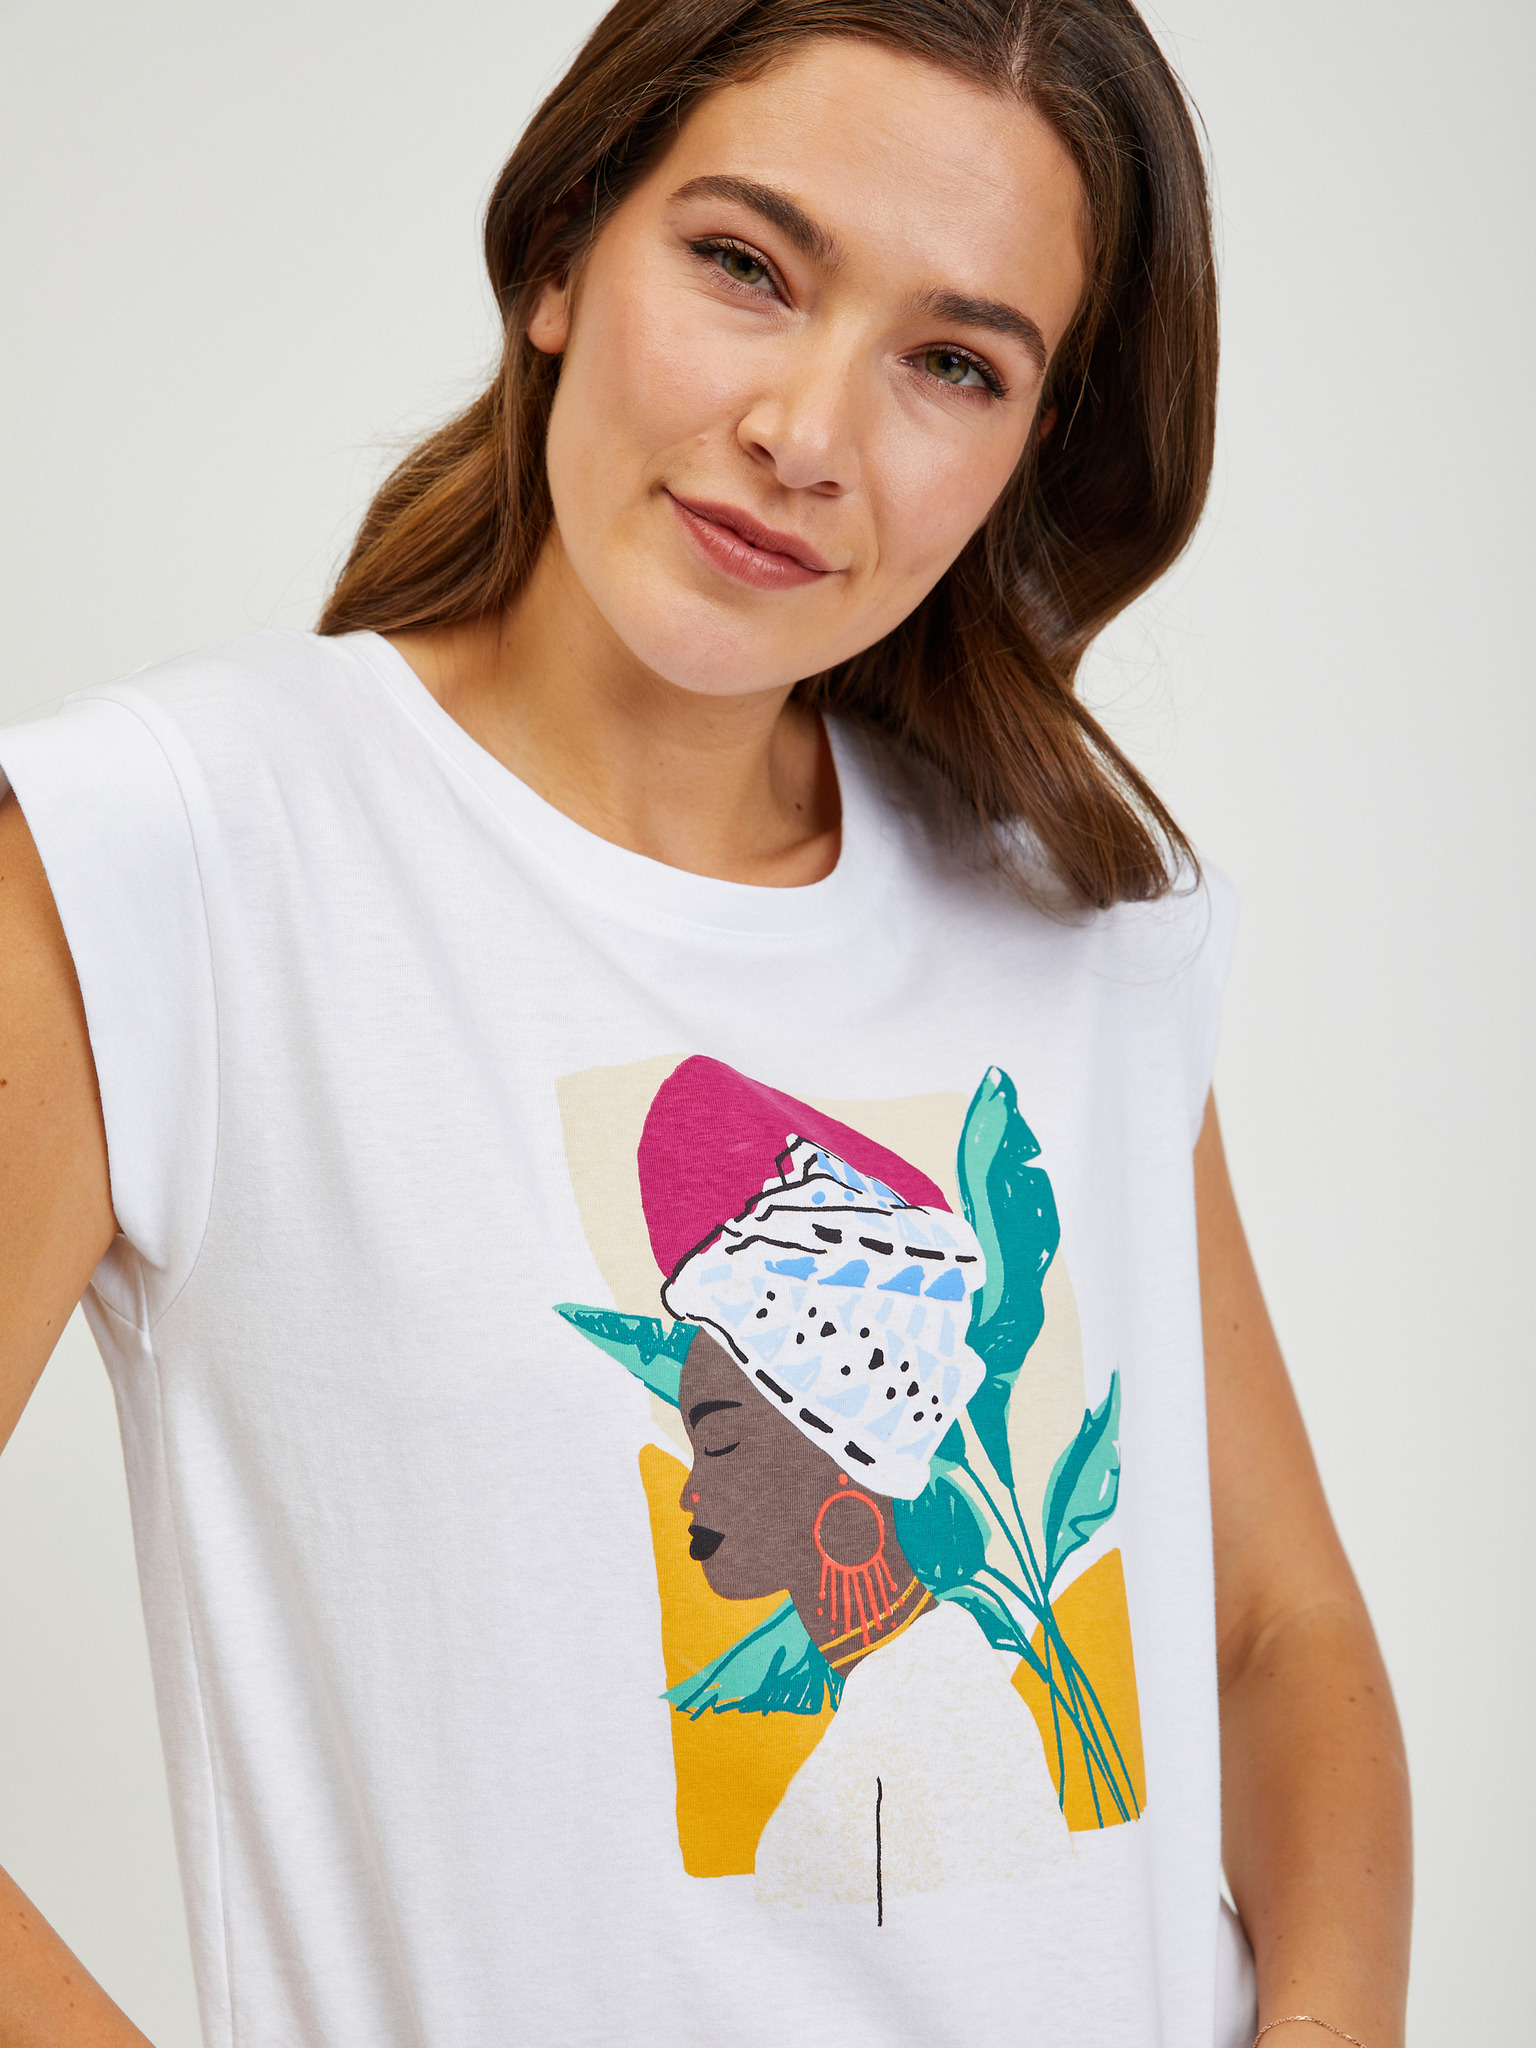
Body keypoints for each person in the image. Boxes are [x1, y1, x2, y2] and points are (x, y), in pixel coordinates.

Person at [0, 1, 1411, 2044]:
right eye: (747, 263)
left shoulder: (1074, 912)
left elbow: (1277, 1631)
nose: (809, 433)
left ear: (1030, 446)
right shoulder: (176, 855)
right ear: (566, 249)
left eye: (955, 362)